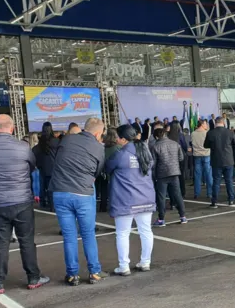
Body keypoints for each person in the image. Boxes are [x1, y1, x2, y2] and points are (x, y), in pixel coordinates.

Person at [0, 114, 49, 294]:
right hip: (22, 200)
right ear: (12, 128)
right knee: (27, 241)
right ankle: (33, 277)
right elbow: (31, 167)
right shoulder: (23, 147)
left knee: (1, 243)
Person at [50, 117, 107, 286]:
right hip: (83, 193)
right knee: (88, 234)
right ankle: (94, 272)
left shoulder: (67, 139)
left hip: (60, 192)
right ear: (98, 133)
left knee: (69, 236)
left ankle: (72, 275)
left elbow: (58, 161)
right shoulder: (98, 147)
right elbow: (97, 171)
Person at [106, 125, 156, 275]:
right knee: (146, 231)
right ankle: (145, 262)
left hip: (125, 199)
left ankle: (124, 266)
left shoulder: (120, 154)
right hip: (146, 197)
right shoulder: (145, 151)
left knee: (122, 233)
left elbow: (107, 168)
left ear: (122, 139)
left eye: (117, 137)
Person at [151, 127, 187, 226]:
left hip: (162, 174)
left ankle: (161, 219)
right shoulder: (175, 144)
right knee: (177, 195)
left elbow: (153, 163)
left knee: (161, 197)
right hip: (175, 172)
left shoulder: (155, 146)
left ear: (157, 136)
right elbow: (181, 157)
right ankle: (183, 216)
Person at [204, 117, 235, 208]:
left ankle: (214, 201)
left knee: (216, 181)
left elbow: (205, 145)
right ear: (223, 122)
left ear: (215, 123)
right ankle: (231, 200)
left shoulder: (210, 133)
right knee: (229, 181)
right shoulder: (230, 132)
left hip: (216, 161)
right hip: (228, 160)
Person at [99, 129, 122, 212]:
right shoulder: (119, 148)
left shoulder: (102, 147)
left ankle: (103, 206)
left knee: (103, 190)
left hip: (103, 171)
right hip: (115, 172)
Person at [191, 120, 213, 199]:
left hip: (197, 155)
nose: (207, 125)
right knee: (208, 175)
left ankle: (197, 193)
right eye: (206, 124)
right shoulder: (207, 133)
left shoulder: (193, 133)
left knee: (197, 175)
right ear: (202, 124)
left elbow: (192, 143)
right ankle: (209, 193)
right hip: (206, 154)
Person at [167, 120, 188, 198]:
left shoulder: (168, 135)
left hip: (171, 158)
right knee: (181, 176)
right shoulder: (180, 135)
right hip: (180, 157)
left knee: (172, 176)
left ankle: (173, 193)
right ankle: (182, 192)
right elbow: (184, 146)